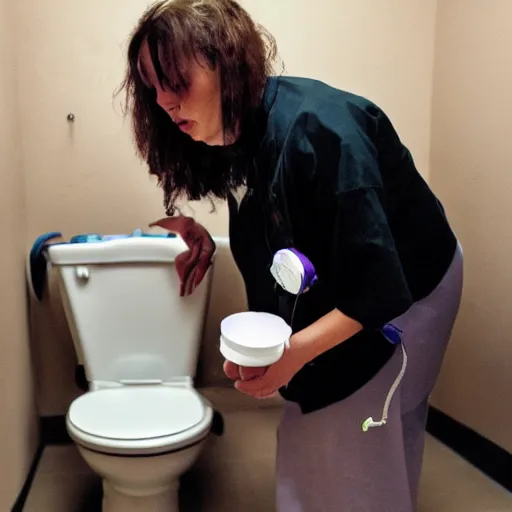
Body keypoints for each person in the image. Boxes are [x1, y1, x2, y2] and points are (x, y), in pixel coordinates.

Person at [119, 1, 463, 510]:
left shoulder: (325, 133)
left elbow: (378, 288)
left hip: (414, 288)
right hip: (363, 282)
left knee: (359, 424)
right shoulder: (239, 130)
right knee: (351, 433)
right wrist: (207, 239)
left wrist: (291, 357)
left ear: (225, 63)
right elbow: (274, 211)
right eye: (152, 85)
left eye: (175, 79)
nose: (164, 101)